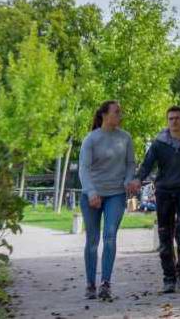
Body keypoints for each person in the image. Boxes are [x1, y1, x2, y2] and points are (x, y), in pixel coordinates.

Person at [127, 105, 180, 293]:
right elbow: (147, 165)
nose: (174, 121)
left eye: (177, 118)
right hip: (164, 193)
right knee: (165, 238)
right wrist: (138, 179)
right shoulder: (159, 143)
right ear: (167, 121)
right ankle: (169, 278)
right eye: (170, 119)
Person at [78, 100, 135, 300]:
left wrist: (129, 180)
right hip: (91, 195)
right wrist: (91, 192)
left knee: (110, 235)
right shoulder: (91, 140)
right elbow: (83, 169)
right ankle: (90, 284)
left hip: (116, 194)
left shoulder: (125, 138)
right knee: (92, 240)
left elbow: (130, 164)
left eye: (120, 112)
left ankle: (106, 283)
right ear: (104, 115)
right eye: (117, 112)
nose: (120, 116)